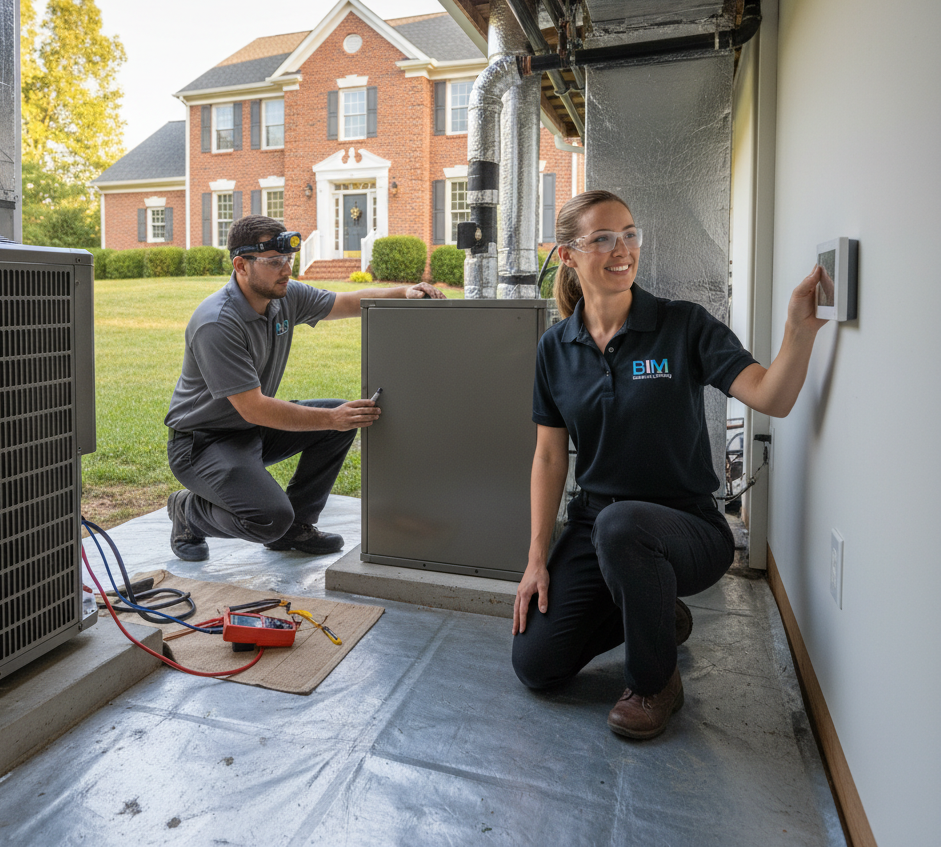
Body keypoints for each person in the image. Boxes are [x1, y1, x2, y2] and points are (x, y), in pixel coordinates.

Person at [511, 190, 827, 740]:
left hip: (688, 527)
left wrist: (797, 332)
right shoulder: (554, 348)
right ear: (567, 255)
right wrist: (537, 558)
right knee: (536, 665)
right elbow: (547, 455)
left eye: (630, 234)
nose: (622, 250)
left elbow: (771, 397)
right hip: (596, 525)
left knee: (624, 525)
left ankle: (654, 683)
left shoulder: (681, 326)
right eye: (603, 238)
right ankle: (659, 614)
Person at [164, 214, 445, 562]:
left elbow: (346, 302)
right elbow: (254, 408)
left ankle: (296, 528)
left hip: (250, 431)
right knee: (269, 518)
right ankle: (188, 513)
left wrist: (403, 292)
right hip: (202, 443)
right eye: (274, 262)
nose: (286, 269)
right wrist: (331, 418)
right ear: (241, 265)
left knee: (344, 419)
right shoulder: (217, 323)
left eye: (288, 260)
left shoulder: (284, 296)